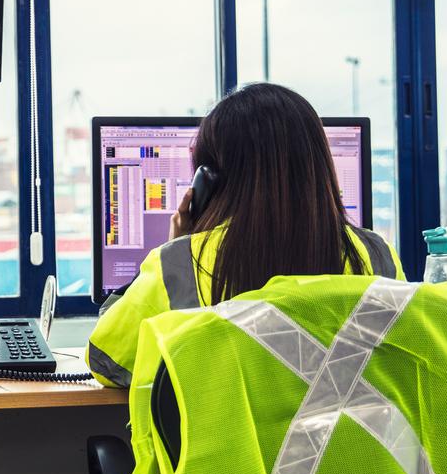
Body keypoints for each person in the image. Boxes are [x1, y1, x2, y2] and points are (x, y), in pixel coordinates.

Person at [87, 82, 403, 388]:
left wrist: (176, 245)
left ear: (207, 183)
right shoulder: (378, 256)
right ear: (319, 166)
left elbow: (107, 363)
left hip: (230, 444)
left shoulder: (179, 264)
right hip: (344, 442)